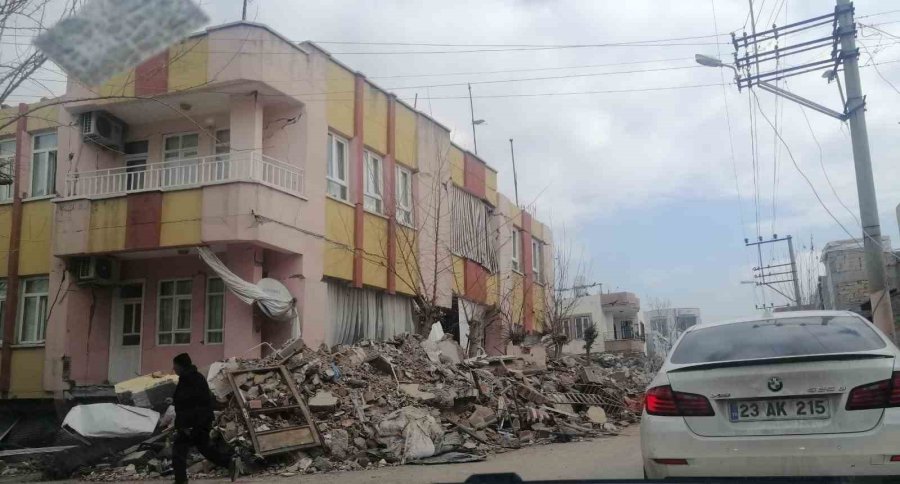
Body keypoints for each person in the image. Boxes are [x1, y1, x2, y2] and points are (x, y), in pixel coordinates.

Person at [170, 352, 239, 483]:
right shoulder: (194, 377)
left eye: (175, 366)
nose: (174, 368)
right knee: (205, 448)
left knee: (179, 451)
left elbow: (189, 405)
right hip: (200, 421)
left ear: (181, 366)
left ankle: (181, 480)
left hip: (193, 423)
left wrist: (186, 426)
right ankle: (229, 462)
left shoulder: (188, 380)